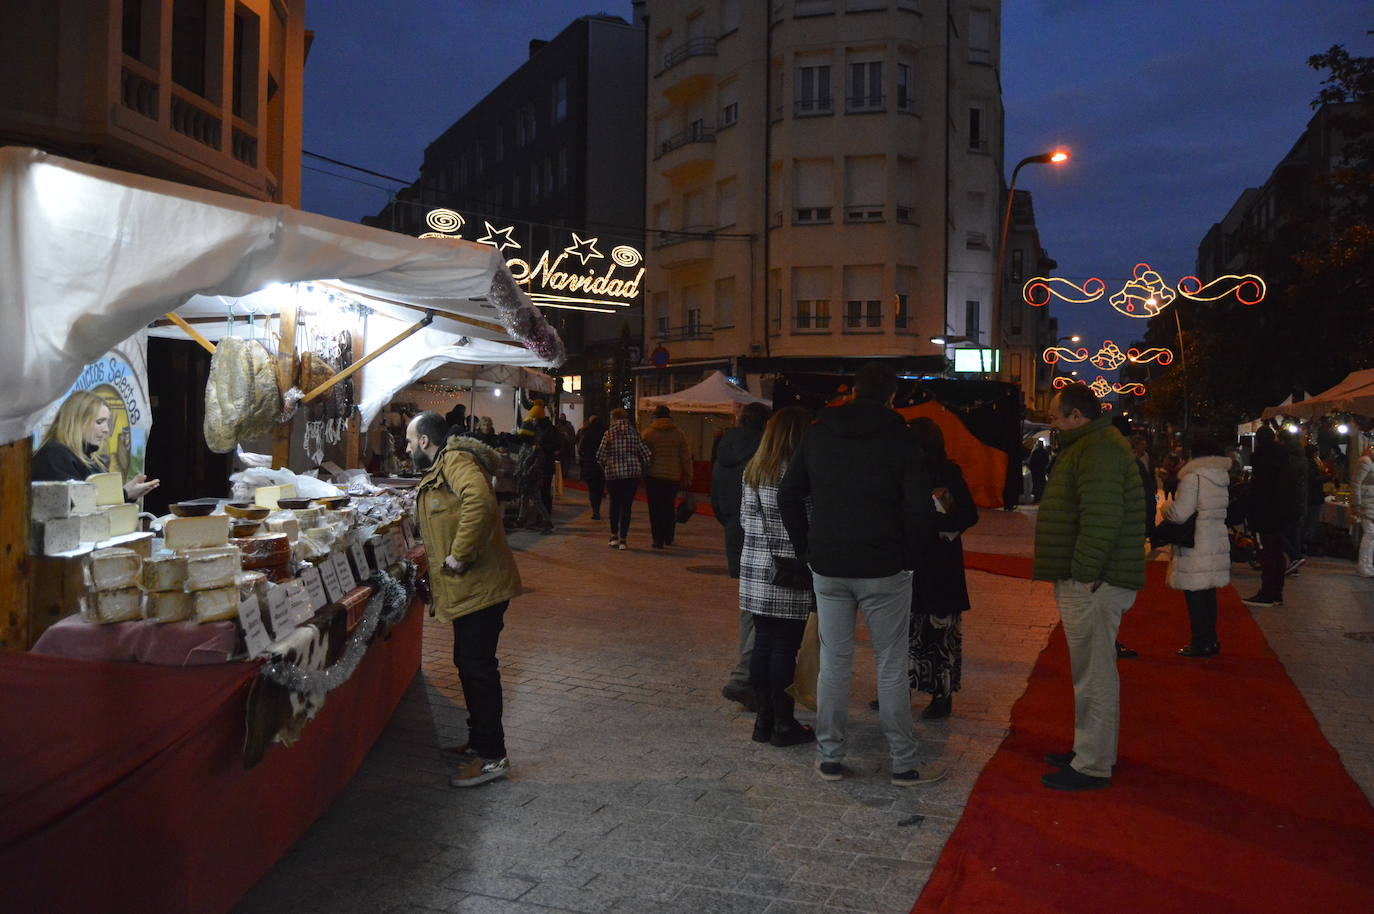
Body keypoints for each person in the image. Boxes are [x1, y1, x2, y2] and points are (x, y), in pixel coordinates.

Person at [777, 362, 945, 787]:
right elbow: (920, 509)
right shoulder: (901, 440)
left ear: (853, 392)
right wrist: (909, 557)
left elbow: (788, 494)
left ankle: (830, 757)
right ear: (891, 397)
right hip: (885, 567)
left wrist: (807, 549)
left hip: (830, 564)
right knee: (890, 665)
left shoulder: (818, 433)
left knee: (835, 663)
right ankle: (904, 764)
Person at [1032, 383, 1144, 791]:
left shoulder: (1097, 449)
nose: (1052, 422)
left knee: (1093, 674)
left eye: (1055, 415)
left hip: (1095, 582)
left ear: (1077, 416)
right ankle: (1092, 751)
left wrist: (1083, 572)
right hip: (1096, 578)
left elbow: (1102, 517)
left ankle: (1092, 764)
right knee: (1093, 672)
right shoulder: (1092, 445)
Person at [407, 411, 521, 788]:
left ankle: (492, 757)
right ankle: (479, 743)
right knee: (469, 664)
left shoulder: (454, 460)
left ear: (425, 440)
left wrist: (460, 554)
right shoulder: (444, 464)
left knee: (478, 669)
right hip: (472, 589)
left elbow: (479, 501)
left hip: (480, 587)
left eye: (410, 441)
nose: (408, 448)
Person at [738, 406, 816, 748]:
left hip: (755, 569)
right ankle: (783, 723)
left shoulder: (754, 470)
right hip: (789, 572)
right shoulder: (797, 474)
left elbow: (744, 519)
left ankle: (763, 720)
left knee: (764, 644)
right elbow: (809, 523)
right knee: (785, 647)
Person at [903, 418, 978, 719]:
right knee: (923, 630)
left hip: (929, 561)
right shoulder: (912, 471)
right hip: (929, 563)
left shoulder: (942, 473)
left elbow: (968, 514)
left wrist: (930, 524)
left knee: (926, 630)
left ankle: (932, 694)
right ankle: (919, 692)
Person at [711, 401, 771, 709]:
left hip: (735, 532)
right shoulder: (767, 451)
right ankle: (745, 676)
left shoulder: (724, 448)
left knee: (749, 604)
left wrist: (731, 521)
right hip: (762, 534)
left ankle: (747, 675)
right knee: (763, 610)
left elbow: (716, 496)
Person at [1164, 436, 1232, 657]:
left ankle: (1201, 642)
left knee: (1195, 595)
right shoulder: (1220, 477)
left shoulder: (1193, 478)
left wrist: (1165, 507)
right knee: (1208, 594)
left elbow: (1180, 513)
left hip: (1196, 542)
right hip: (1215, 539)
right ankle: (1211, 640)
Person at [32, 390, 160, 499]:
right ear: (77, 422)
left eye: (106, 422)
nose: (106, 430)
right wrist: (124, 494)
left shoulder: (92, 459)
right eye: (99, 422)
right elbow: (74, 506)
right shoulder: (54, 456)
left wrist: (126, 493)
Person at [1244, 427, 1288, 607]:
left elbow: (1259, 486)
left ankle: (1268, 592)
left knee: (1267, 553)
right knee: (1276, 553)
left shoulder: (1261, 457)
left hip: (1264, 512)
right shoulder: (1284, 457)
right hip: (1280, 510)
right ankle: (1276, 591)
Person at [596, 408, 651, 550]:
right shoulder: (635, 433)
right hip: (632, 474)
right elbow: (646, 454)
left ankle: (614, 536)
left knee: (614, 504)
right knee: (627, 506)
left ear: (613, 418)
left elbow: (600, 455)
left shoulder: (609, 434)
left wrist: (606, 464)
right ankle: (623, 539)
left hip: (613, 474)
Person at [641, 405, 693, 549]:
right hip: (672, 476)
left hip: (653, 476)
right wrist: (688, 475)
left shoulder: (648, 433)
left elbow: (643, 456)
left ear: (655, 416)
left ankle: (657, 539)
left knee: (655, 509)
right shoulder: (679, 434)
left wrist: (642, 472)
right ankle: (669, 537)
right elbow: (686, 457)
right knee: (669, 507)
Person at [1278, 429, 1309, 574]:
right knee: (1294, 533)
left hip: (1287, 500)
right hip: (1300, 500)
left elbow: (1283, 482)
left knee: (1278, 531)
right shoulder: (1302, 458)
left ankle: (1295, 558)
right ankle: (1294, 563)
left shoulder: (1287, 458)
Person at [513, 424, 553, 533]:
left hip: (531, 477)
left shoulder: (535, 446)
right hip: (524, 476)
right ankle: (521, 519)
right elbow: (521, 460)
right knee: (524, 498)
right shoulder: (525, 445)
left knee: (536, 500)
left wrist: (530, 471)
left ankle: (547, 520)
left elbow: (538, 461)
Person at [525, 401, 560, 517]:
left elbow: (556, 445)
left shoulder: (549, 429)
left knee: (544, 491)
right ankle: (540, 516)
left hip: (545, 464)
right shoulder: (537, 428)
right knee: (538, 492)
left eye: (534, 417)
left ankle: (545, 517)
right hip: (538, 464)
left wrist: (542, 447)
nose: (532, 420)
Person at [574, 415, 607, 520]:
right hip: (602, 464)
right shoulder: (605, 433)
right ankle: (597, 506)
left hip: (589, 464)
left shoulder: (587, 432)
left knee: (592, 489)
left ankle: (595, 511)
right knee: (599, 488)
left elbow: (580, 448)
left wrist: (583, 456)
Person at [1302, 444, 1328, 555]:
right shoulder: (1311, 464)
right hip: (1314, 497)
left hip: (1308, 496)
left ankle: (1304, 544)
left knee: (1307, 521)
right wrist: (1326, 477)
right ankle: (1309, 545)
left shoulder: (1303, 463)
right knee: (1312, 521)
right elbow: (1313, 480)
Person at [1355, 443, 1374, 578]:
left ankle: (1368, 564)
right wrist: (1356, 503)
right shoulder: (1365, 461)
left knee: (1372, 535)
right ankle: (1363, 566)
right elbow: (1356, 483)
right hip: (1366, 502)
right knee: (1369, 533)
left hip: (1371, 501)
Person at [1027, 439, 1050, 503]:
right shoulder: (1045, 452)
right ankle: (1043, 497)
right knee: (1042, 484)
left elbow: (1031, 461)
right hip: (1042, 470)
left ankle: (1036, 498)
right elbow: (1047, 461)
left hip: (1035, 471)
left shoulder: (1035, 452)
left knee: (1036, 485)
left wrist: (1031, 468)